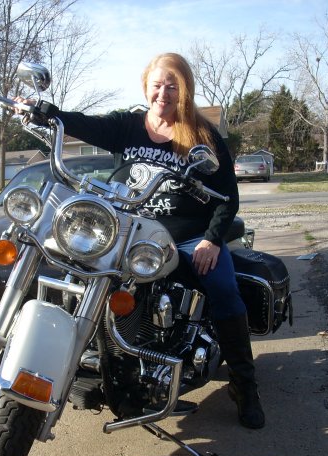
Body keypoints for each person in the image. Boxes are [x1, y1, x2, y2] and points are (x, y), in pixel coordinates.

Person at [15, 52, 265, 429]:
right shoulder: (128, 125)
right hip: (128, 231)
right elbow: (85, 124)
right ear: (146, 87)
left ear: (184, 91)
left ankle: (245, 386)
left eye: (172, 86)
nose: (163, 93)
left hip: (187, 236)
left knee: (224, 290)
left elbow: (227, 197)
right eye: (157, 85)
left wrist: (212, 241)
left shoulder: (202, 135)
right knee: (74, 271)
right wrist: (46, 112)